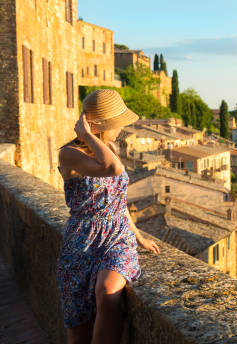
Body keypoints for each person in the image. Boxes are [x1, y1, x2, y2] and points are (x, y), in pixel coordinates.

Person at [56, 89, 160, 344]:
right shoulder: (69, 154)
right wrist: (88, 136)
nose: (121, 129)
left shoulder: (109, 147)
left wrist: (138, 237)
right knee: (78, 326)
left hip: (117, 237)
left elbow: (117, 200)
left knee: (107, 290)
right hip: (81, 242)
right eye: (117, 123)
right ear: (100, 125)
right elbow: (113, 169)